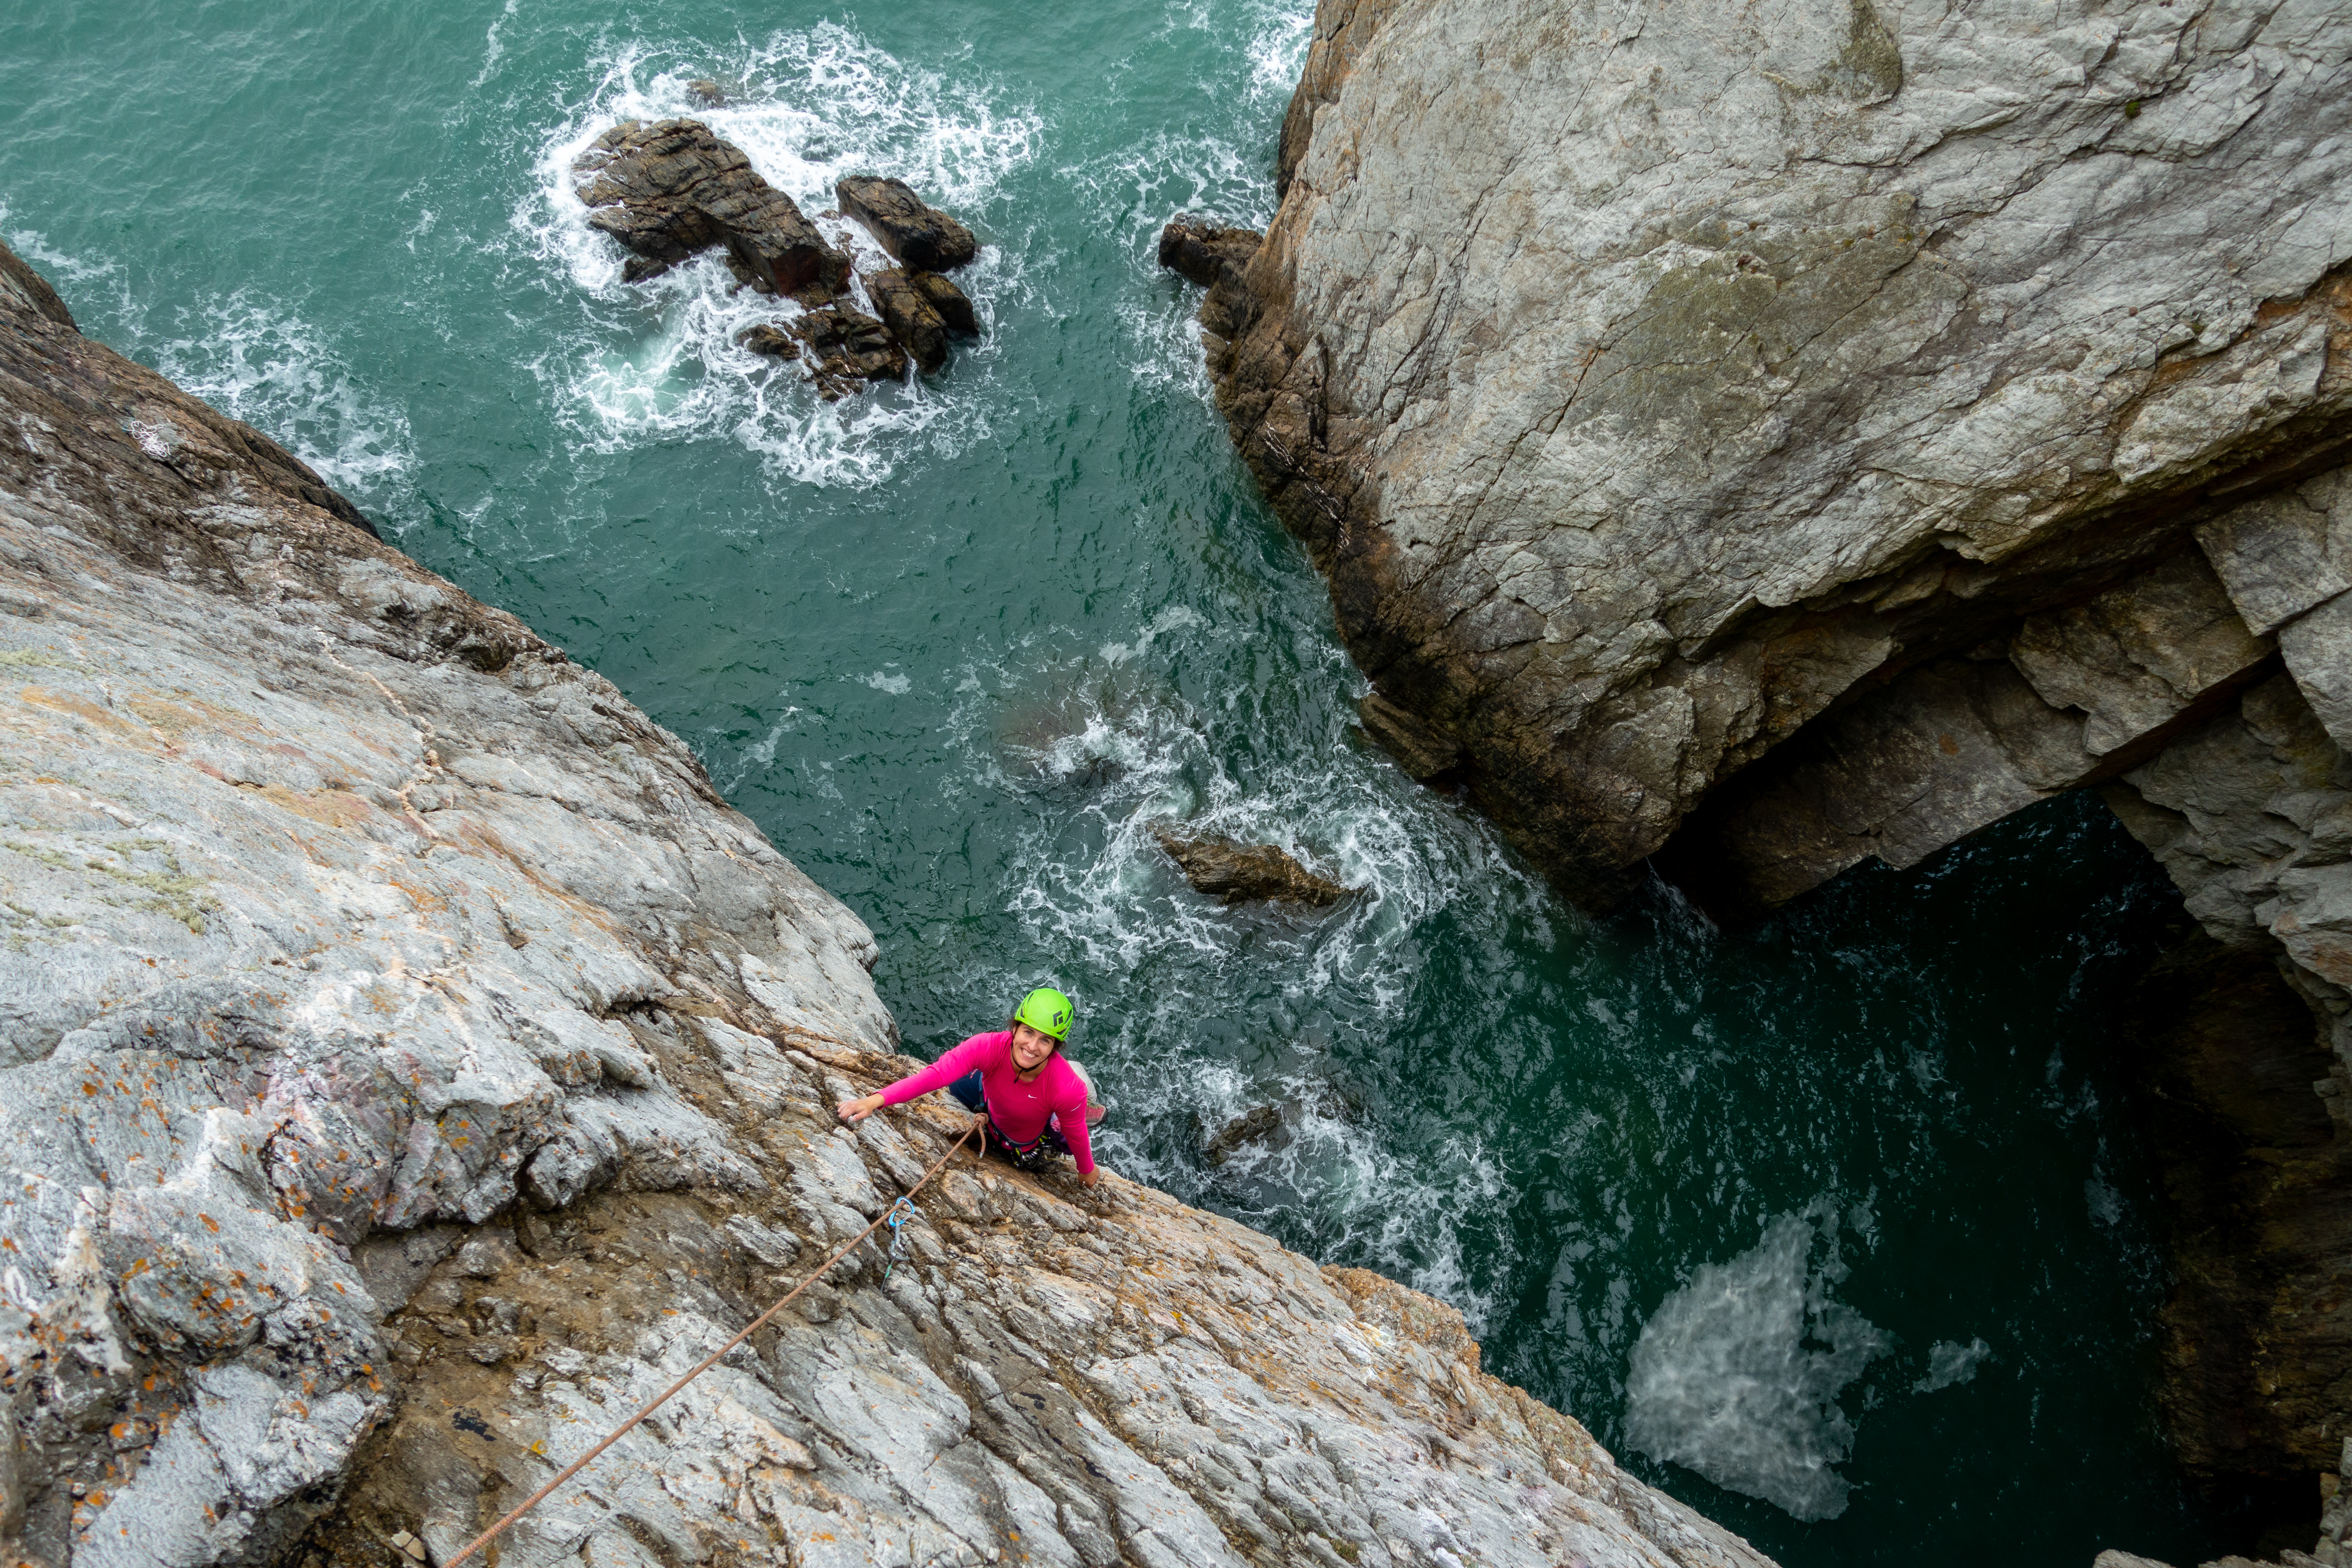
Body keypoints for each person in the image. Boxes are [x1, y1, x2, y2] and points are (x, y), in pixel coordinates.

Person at [836, 987, 1102, 1187]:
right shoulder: (989, 1047)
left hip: (1027, 1134)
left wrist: (1087, 1169)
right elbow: (935, 1076)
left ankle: (1077, 1109)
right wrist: (876, 1100)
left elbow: (1077, 1134)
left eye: (1045, 1041)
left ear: (1055, 1048)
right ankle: (1066, 1108)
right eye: (1028, 1032)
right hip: (989, 1097)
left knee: (1065, 1125)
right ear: (1015, 1029)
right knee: (954, 1085)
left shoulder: (1066, 1087)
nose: (1032, 1046)